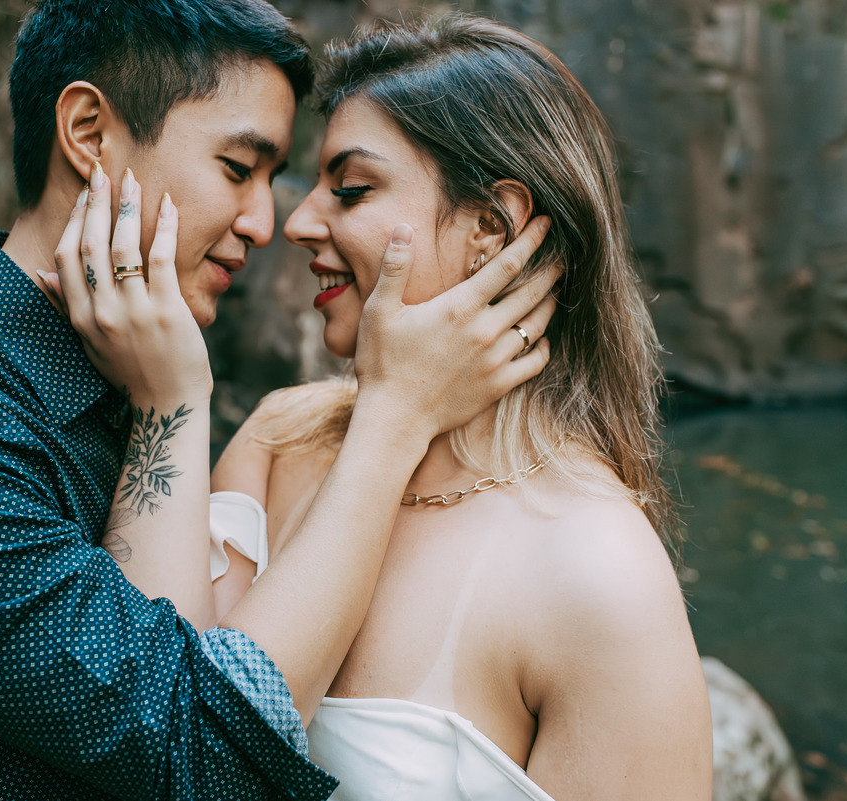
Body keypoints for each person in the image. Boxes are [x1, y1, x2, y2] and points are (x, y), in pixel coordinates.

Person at [0, 2, 558, 799]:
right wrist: (393, 413)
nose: (265, 223)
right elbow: (201, 750)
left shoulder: (132, 377)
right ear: (88, 134)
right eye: (236, 168)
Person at [203, 14, 712, 800]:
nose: (298, 223)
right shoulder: (277, 439)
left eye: (352, 189)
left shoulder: (600, 576)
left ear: (489, 228)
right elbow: (168, 751)